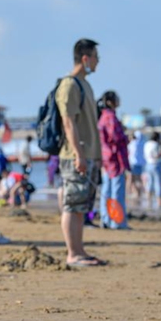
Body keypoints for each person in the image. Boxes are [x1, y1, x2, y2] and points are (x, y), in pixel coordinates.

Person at [55, 39, 103, 266]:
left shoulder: (85, 85)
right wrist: (79, 154)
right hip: (74, 155)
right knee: (72, 204)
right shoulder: (70, 85)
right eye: (96, 57)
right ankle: (72, 253)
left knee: (82, 206)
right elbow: (68, 122)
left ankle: (79, 250)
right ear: (85, 58)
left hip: (89, 153)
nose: (98, 62)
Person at [97, 90, 130, 229]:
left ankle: (106, 219)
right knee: (117, 190)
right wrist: (125, 137)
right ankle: (117, 221)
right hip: (115, 158)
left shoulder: (103, 117)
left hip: (106, 157)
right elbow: (115, 137)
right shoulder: (110, 117)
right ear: (111, 102)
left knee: (107, 190)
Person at [143, 132, 161, 209]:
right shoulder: (156, 144)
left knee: (149, 182)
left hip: (148, 164)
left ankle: (149, 200)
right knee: (158, 183)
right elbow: (157, 155)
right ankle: (159, 202)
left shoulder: (146, 144)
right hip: (155, 164)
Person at [126, 130, 145, 200]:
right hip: (139, 164)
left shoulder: (132, 143)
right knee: (138, 179)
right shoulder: (142, 143)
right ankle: (138, 193)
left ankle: (129, 193)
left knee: (130, 179)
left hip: (132, 163)